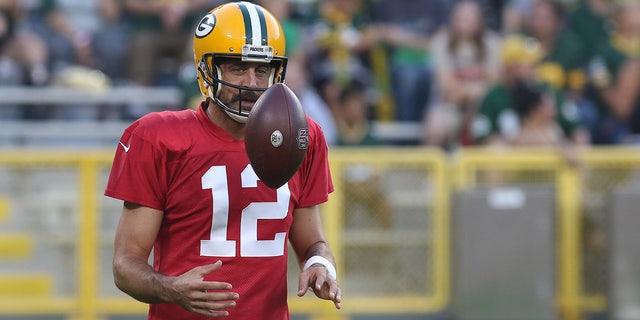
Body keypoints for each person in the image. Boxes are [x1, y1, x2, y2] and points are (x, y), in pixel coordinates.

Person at [105, 2, 342, 319]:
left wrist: (319, 264)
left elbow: (313, 241)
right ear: (207, 68)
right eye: (237, 68)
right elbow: (125, 265)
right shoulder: (159, 138)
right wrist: (170, 287)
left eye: (261, 70)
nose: (251, 83)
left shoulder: (302, 135)